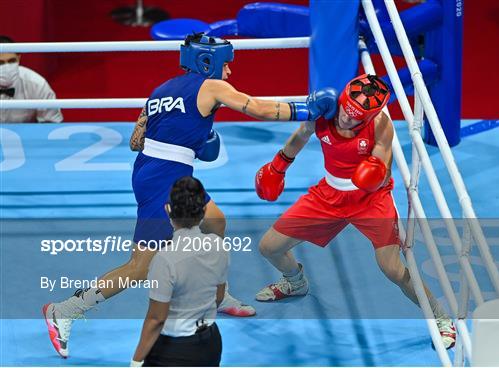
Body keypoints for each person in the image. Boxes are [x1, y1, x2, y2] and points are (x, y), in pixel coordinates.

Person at [43, 32, 338, 358]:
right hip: (164, 181)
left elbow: (135, 141)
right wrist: (306, 110)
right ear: (207, 62)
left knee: (216, 222)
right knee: (140, 267)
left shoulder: (161, 90)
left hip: (153, 171)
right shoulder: (212, 86)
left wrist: (189, 135)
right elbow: (257, 108)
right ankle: (66, 309)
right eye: (225, 66)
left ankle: (219, 296)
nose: (229, 73)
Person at [254, 74, 457, 349]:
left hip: (371, 200)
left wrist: (375, 171)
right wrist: (278, 167)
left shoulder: (381, 124)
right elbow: (300, 136)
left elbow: (382, 165)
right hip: (328, 195)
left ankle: (441, 318)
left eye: (355, 118)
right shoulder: (324, 111)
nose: (346, 120)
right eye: (345, 113)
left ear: (369, 116)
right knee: (269, 247)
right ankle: (295, 282)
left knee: (393, 270)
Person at [130, 176, 227, 367]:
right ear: (204, 210)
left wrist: (136, 360)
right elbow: (219, 295)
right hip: (211, 343)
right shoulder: (219, 245)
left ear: (168, 210)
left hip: (174, 350)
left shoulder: (164, 259)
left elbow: (157, 319)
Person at [0, 35, 63, 123]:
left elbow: (52, 123)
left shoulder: (37, 84)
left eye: (11, 61)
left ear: (18, 59)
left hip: (26, 135)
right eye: (0, 63)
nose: (6, 67)